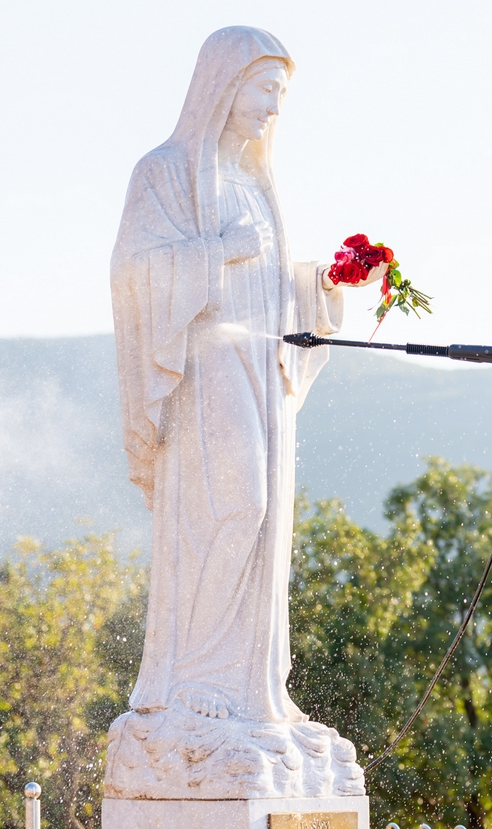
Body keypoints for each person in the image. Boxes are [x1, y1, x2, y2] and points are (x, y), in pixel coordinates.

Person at [110, 25, 380, 725]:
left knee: (267, 527)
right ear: (224, 86)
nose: (273, 107)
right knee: (237, 507)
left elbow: (270, 283)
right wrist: (218, 250)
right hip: (206, 374)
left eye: (281, 94)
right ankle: (196, 679)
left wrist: (327, 280)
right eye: (265, 88)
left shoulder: (260, 185)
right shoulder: (165, 171)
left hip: (262, 368)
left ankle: (253, 686)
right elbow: (135, 273)